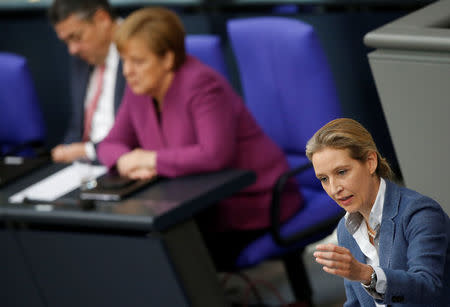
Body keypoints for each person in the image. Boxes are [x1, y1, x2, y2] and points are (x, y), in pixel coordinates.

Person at [97, 7, 302, 269]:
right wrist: (124, 160)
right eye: (124, 61)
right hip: (195, 204)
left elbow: (214, 154)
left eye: (138, 61)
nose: (127, 71)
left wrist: (149, 159)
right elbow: (109, 144)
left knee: (168, 253)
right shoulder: (139, 89)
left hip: (253, 201)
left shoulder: (203, 85)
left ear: (168, 59)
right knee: (138, 242)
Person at [306, 118, 449, 306]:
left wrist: (366, 275)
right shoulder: (345, 229)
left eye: (341, 172)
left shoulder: (420, 213)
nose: (333, 189)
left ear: (370, 162)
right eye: (324, 179)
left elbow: (428, 288)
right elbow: (355, 303)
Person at [48, 0, 126, 163]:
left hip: (122, 161)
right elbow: (77, 127)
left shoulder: (140, 49)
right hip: (82, 167)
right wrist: (67, 150)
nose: (72, 49)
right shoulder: (83, 56)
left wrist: (87, 151)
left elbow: (139, 135)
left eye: (76, 37)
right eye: (66, 42)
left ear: (102, 19)